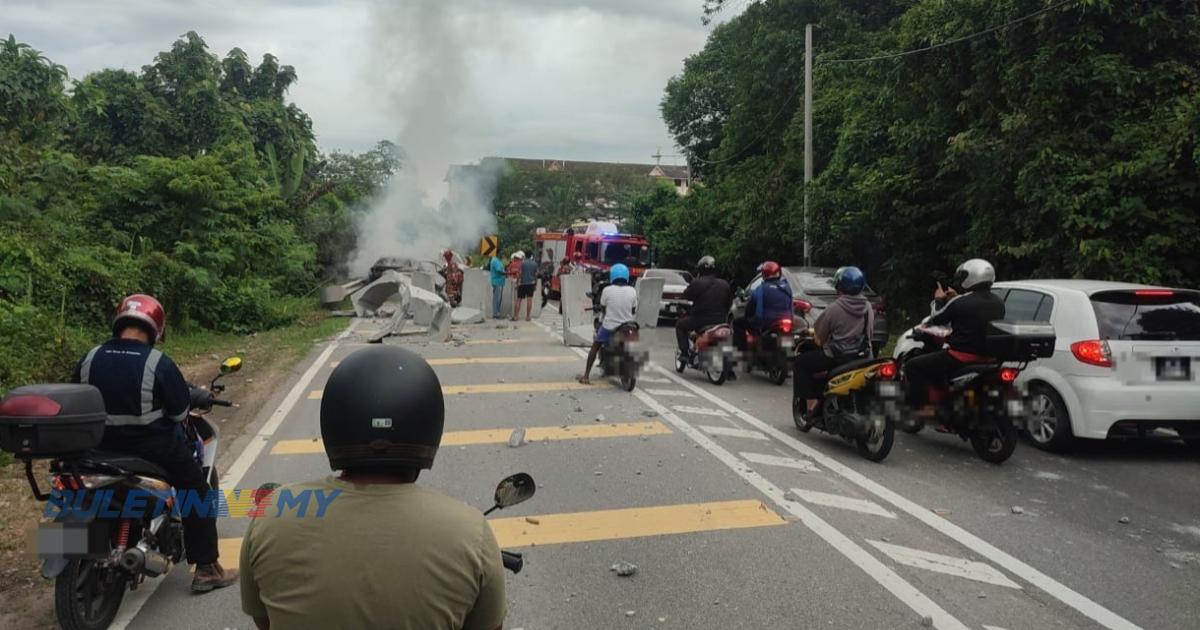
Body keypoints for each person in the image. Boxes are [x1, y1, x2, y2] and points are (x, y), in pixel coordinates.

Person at [240, 346, 505, 630]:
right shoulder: (470, 532)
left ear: (335, 422)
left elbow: (264, 620)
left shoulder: (271, 514)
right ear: (428, 425)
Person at [72, 294, 237, 593]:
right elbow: (178, 413)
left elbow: (77, 399)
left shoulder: (90, 357)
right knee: (197, 490)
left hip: (96, 449)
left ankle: (70, 548)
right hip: (150, 449)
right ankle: (207, 569)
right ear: (156, 328)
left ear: (119, 321)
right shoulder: (157, 362)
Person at [903, 258, 1006, 415]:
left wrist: (939, 300)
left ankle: (920, 407)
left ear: (971, 277)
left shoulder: (960, 302)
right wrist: (956, 298)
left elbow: (936, 319)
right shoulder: (999, 302)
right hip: (989, 358)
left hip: (960, 357)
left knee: (913, 366)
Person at [792, 267, 875, 415]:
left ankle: (811, 403)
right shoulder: (868, 307)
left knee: (800, 362)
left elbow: (819, 338)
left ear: (839, 286)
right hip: (864, 357)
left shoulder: (834, 308)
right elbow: (869, 333)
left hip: (837, 357)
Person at [580, 264, 637, 385]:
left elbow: (603, 308)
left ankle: (586, 376)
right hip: (628, 326)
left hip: (609, 326)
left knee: (595, 346)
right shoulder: (632, 290)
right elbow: (633, 310)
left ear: (612, 276)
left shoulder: (607, 290)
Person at [675, 255, 733, 358]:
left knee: (680, 325)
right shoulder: (725, 284)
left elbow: (687, 295)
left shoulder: (697, 282)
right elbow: (729, 304)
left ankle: (684, 353)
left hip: (700, 321)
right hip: (721, 321)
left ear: (701, 269)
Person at [732, 261, 793, 351]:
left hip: (767, 321)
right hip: (786, 321)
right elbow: (791, 307)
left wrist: (754, 320)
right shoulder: (787, 287)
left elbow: (756, 311)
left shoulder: (761, 289)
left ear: (764, 274)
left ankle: (742, 351)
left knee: (737, 322)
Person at [515, 251, 539, 321]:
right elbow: (536, 275)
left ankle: (516, 316)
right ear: (531, 256)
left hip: (522, 283)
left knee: (519, 299)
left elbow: (519, 274)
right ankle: (528, 316)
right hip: (531, 284)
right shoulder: (535, 264)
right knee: (529, 300)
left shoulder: (522, 263)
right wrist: (535, 284)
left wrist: (517, 283)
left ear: (525, 256)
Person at [488, 253, 507, 318]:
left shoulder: (497, 260)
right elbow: (498, 271)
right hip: (497, 282)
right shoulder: (495, 260)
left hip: (499, 282)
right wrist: (506, 273)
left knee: (498, 298)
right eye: (502, 254)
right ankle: (496, 314)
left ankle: (497, 313)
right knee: (497, 299)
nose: (503, 256)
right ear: (499, 253)